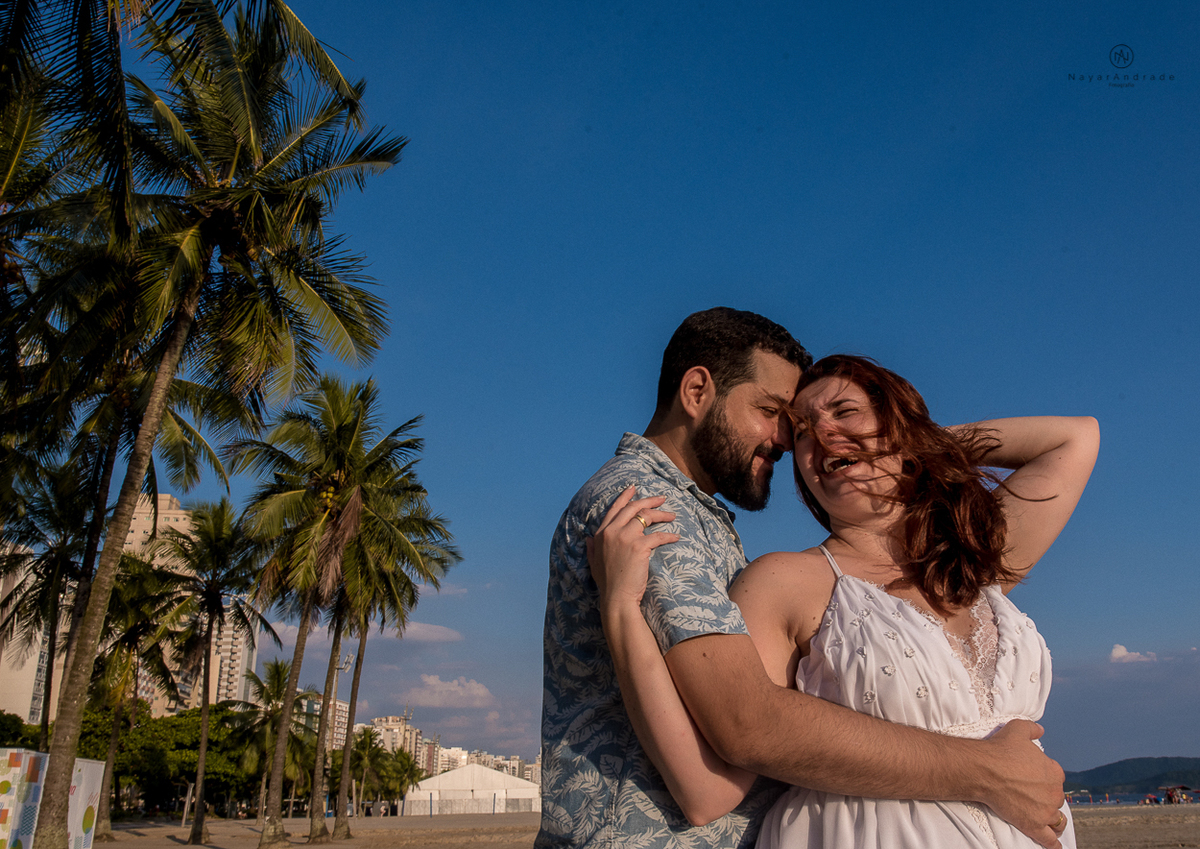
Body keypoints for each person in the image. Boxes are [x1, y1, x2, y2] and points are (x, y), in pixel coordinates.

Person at [537, 307, 1073, 849]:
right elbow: (741, 736)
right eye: (776, 414)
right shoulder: (649, 509)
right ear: (697, 391)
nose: (790, 440)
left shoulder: (702, 517)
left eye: (843, 414)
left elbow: (1072, 442)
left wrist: (907, 442)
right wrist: (985, 772)